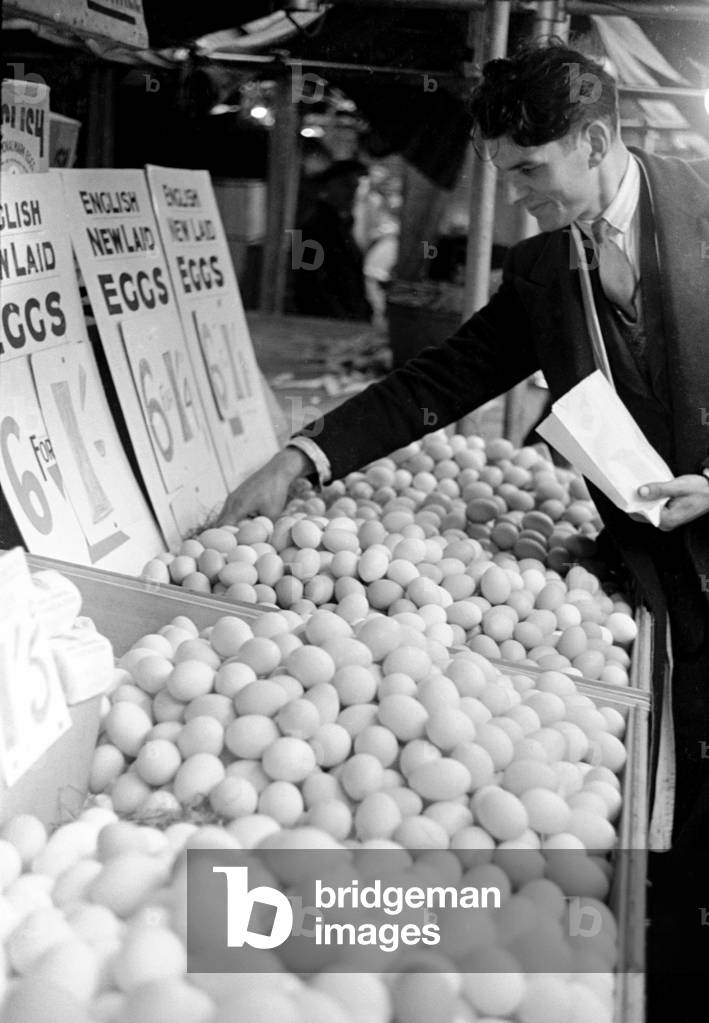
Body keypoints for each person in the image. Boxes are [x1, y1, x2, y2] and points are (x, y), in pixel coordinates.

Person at [220, 43, 709, 1007]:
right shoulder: (541, 269)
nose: (517, 196)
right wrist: (305, 455)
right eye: (503, 175)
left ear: (597, 140)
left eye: (530, 171)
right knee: (678, 786)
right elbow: (441, 379)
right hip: (652, 572)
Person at [292, 158, 373, 321]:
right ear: (328, 186)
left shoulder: (342, 224)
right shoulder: (311, 226)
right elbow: (308, 283)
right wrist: (340, 317)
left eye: (355, 186)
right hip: (328, 322)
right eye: (346, 185)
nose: (352, 192)